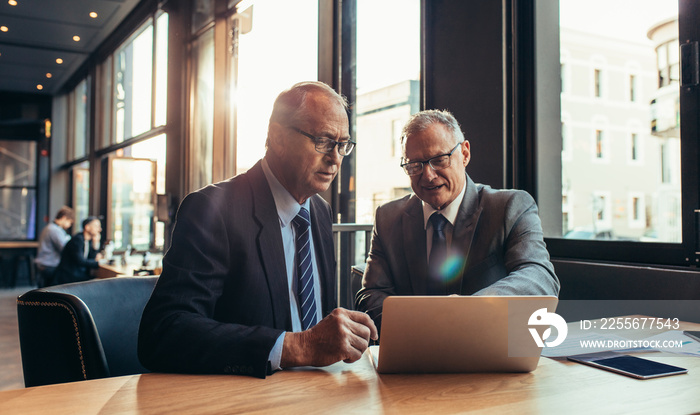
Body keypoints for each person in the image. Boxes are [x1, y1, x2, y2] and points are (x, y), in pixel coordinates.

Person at [138, 81, 378, 379]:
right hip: (247, 397)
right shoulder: (213, 209)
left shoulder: (319, 211)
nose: (335, 157)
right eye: (323, 141)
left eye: (342, 145)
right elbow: (163, 331)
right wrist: (298, 347)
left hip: (320, 391)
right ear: (277, 137)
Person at [355, 109, 560, 331]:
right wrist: (419, 328)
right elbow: (370, 294)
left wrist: (467, 309)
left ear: (464, 154)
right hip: (414, 353)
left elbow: (540, 278)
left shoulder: (509, 207)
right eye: (415, 165)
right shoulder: (387, 218)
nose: (428, 175)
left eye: (439, 160)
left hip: (487, 349)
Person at [53, 216, 103, 285]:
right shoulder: (77, 240)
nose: (99, 229)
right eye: (96, 226)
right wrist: (99, 263)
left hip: (78, 275)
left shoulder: (88, 241)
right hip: (69, 277)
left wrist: (96, 243)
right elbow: (81, 261)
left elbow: (92, 258)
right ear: (87, 227)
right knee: (98, 282)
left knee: (99, 281)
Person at [34, 206, 75, 287]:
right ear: (64, 218)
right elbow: (64, 247)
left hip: (44, 264)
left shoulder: (50, 227)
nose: (69, 225)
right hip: (49, 265)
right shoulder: (55, 230)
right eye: (70, 222)